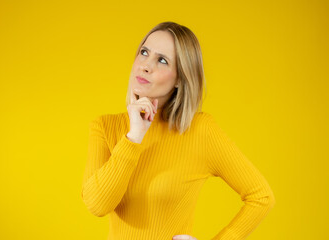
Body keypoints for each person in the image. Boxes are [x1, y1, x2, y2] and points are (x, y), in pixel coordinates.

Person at [81, 21, 276, 240]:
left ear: (180, 78)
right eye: (144, 52)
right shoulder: (105, 127)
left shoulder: (200, 130)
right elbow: (97, 205)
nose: (146, 65)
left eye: (162, 60)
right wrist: (133, 137)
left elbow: (261, 196)